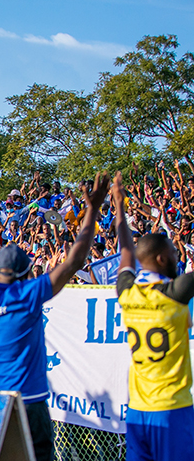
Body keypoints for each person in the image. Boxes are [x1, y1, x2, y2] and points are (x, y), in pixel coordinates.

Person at [0, 172, 109, 461]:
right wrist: (93, 208)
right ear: (28, 273)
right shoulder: (28, 294)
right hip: (30, 402)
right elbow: (76, 259)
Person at [111, 171, 194, 461]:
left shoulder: (127, 293)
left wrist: (118, 206)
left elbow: (125, 252)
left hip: (137, 411)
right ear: (162, 259)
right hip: (172, 409)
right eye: (173, 252)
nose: (177, 257)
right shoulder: (175, 293)